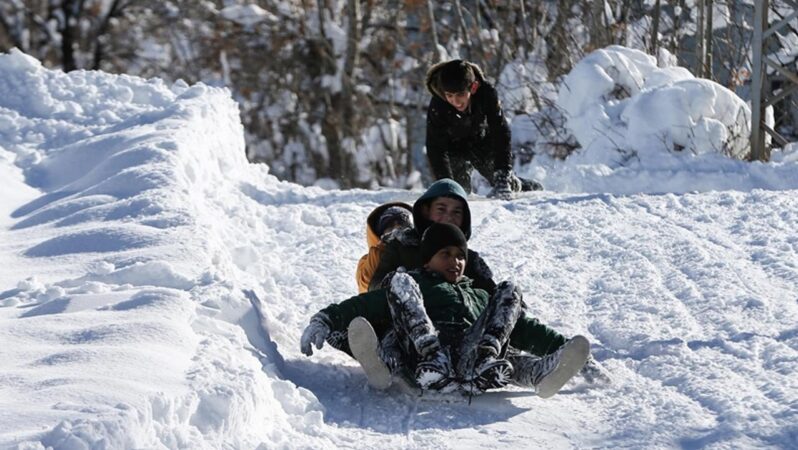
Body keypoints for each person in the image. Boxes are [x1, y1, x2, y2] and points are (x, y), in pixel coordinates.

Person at [301, 222, 589, 396]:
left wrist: (568, 352)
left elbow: (521, 327)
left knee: (509, 291)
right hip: (423, 355)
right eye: (445, 254)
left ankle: (540, 373)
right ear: (427, 260)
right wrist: (326, 319)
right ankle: (386, 362)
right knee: (398, 284)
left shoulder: (477, 292)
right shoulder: (417, 281)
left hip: (475, 359)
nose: (456, 262)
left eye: (460, 256)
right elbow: (367, 303)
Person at [425, 59, 543, 199]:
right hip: (453, 150)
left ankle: (528, 186)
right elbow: (435, 147)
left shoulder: (486, 93)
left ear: (473, 88)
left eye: (460, 95)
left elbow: (500, 132)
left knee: (506, 184)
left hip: (481, 143)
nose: (455, 101)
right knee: (457, 192)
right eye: (449, 95)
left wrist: (502, 174)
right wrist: (444, 184)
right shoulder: (438, 104)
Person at [367, 178, 495, 294]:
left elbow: (493, 297)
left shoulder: (467, 259)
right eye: (441, 209)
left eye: (456, 212)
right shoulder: (401, 248)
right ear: (426, 211)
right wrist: (401, 282)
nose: (448, 217)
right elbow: (374, 287)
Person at [355, 202, 413, 294]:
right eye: (390, 226)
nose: (397, 229)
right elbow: (366, 285)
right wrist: (383, 248)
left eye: (402, 224)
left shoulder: (422, 250)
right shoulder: (368, 260)